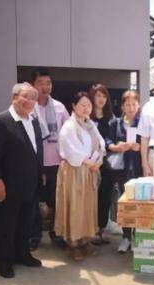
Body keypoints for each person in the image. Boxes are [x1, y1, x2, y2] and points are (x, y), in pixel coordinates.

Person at [0, 83, 44, 278]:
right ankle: (4, 262)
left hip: (29, 182)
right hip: (8, 184)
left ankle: (23, 255)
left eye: (33, 98)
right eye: (25, 97)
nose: (29, 102)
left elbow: (36, 150)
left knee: (25, 223)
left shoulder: (33, 120)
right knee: (6, 225)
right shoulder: (1, 121)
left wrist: (40, 171)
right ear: (14, 97)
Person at [55, 92, 105, 261]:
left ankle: (85, 239)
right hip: (74, 171)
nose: (86, 108)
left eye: (89, 105)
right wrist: (90, 162)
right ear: (74, 106)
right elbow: (71, 151)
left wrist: (98, 159)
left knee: (87, 206)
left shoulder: (90, 125)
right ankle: (74, 243)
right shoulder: (69, 126)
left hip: (89, 170)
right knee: (75, 206)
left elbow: (100, 143)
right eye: (82, 105)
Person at [29, 69, 70, 251]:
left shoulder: (60, 107)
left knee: (56, 201)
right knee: (35, 201)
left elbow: (69, 133)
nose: (45, 87)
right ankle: (34, 235)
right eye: (41, 83)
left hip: (57, 163)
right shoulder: (28, 107)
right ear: (33, 85)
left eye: (48, 83)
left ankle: (56, 233)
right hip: (35, 163)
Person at [105, 90, 142, 253]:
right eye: (127, 104)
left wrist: (139, 146)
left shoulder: (143, 123)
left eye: (133, 104)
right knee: (124, 203)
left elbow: (149, 143)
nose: (131, 107)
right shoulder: (116, 123)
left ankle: (137, 236)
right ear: (122, 106)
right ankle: (126, 237)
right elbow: (107, 142)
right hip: (121, 170)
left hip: (139, 168)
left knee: (138, 203)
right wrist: (117, 146)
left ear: (138, 105)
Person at [88, 84, 115, 245]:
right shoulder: (86, 117)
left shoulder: (111, 119)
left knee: (104, 196)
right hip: (88, 163)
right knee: (89, 196)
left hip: (106, 164)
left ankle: (100, 230)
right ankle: (88, 230)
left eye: (104, 96)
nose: (101, 99)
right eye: (98, 95)